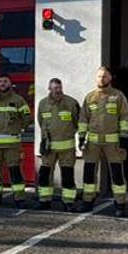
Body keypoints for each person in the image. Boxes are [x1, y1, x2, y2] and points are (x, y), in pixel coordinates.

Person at [79, 67, 128, 216]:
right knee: (89, 173)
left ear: (110, 78)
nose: (102, 79)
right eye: (99, 77)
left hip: (113, 143)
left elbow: (125, 118)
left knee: (116, 174)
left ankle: (120, 205)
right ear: (96, 79)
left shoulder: (118, 96)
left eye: (105, 76)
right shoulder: (90, 97)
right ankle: (87, 202)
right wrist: (82, 137)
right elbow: (83, 119)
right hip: (92, 143)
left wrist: (123, 138)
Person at [0, 76, 34, 207]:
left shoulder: (18, 100)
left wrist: (19, 128)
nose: (2, 84)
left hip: (12, 145)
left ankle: (19, 198)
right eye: (0, 81)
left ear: (10, 83)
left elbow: (27, 117)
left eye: (5, 81)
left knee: (15, 171)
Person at [35, 78, 83, 211]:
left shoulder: (71, 103)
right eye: (55, 88)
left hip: (67, 148)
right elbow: (40, 121)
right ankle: (44, 200)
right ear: (49, 89)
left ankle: (68, 202)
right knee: (45, 175)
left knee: (67, 175)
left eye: (60, 88)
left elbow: (78, 122)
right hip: (49, 148)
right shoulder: (43, 104)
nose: (58, 91)